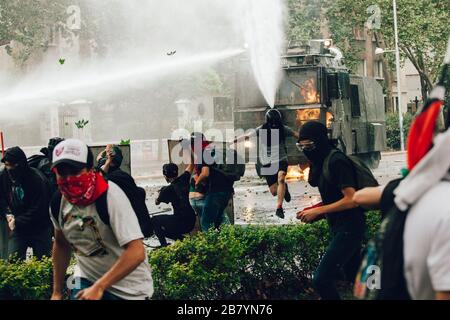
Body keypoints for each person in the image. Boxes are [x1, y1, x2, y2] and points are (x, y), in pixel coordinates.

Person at [49, 139, 153, 300]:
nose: (69, 178)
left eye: (75, 171)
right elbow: (61, 244)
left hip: (129, 290)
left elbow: (137, 251)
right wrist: (56, 292)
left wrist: (100, 286)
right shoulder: (57, 202)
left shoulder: (110, 196)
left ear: (90, 169)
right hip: (86, 280)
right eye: (62, 172)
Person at [296, 121, 365, 300]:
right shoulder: (321, 161)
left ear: (319, 141)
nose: (305, 150)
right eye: (301, 146)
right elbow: (333, 198)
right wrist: (314, 211)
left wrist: (319, 211)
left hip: (350, 228)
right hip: (338, 227)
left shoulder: (336, 160)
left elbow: (352, 199)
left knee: (321, 279)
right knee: (356, 277)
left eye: (309, 145)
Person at [235, 108, 299, 218]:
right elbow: (248, 135)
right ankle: (284, 188)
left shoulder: (283, 128)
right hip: (267, 162)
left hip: (281, 159)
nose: (274, 125)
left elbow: (295, 134)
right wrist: (235, 140)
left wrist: (308, 137)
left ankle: (279, 208)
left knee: (281, 178)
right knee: (274, 191)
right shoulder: (262, 128)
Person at [0, 147, 52, 260]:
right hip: (19, 228)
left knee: (43, 262)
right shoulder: (3, 176)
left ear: (20, 164)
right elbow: (1, 198)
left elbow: (39, 208)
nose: (9, 169)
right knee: (13, 261)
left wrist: (17, 221)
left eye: (11, 165)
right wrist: (7, 213)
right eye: (6, 165)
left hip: (40, 227)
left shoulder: (36, 179)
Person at [190, 132, 232, 231]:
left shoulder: (203, 153)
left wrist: (197, 183)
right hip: (226, 191)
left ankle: (212, 244)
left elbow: (205, 173)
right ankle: (227, 243)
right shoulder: (214, 151)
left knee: (206, 222)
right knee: (219, 221)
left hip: (215, 192)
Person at [152, 163, 196, 247]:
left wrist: (158, 194)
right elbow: (191, 166)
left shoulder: (166, 190)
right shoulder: (184, 178)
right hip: (191, 219)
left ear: (165, 176)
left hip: (181, 223)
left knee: (154, 221)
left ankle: (164, 245)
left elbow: (156, 202)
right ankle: (183, 239)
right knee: (170, 220)